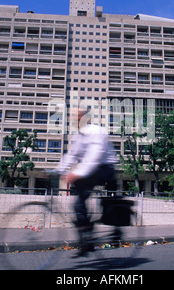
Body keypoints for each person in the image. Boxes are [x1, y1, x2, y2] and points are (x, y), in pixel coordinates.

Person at [55, 107, 118, 256]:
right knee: (78, 204)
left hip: (105, 168)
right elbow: (71, 155)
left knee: (80, 182)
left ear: (86, 118)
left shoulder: (97, 131)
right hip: (91, 169)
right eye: (74, 118)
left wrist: (76, 174)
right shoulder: (79, 137)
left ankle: (89, 233)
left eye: (78, 117)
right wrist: (57, 170)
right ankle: (86, 240)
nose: (76, 120)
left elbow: (94, 157)